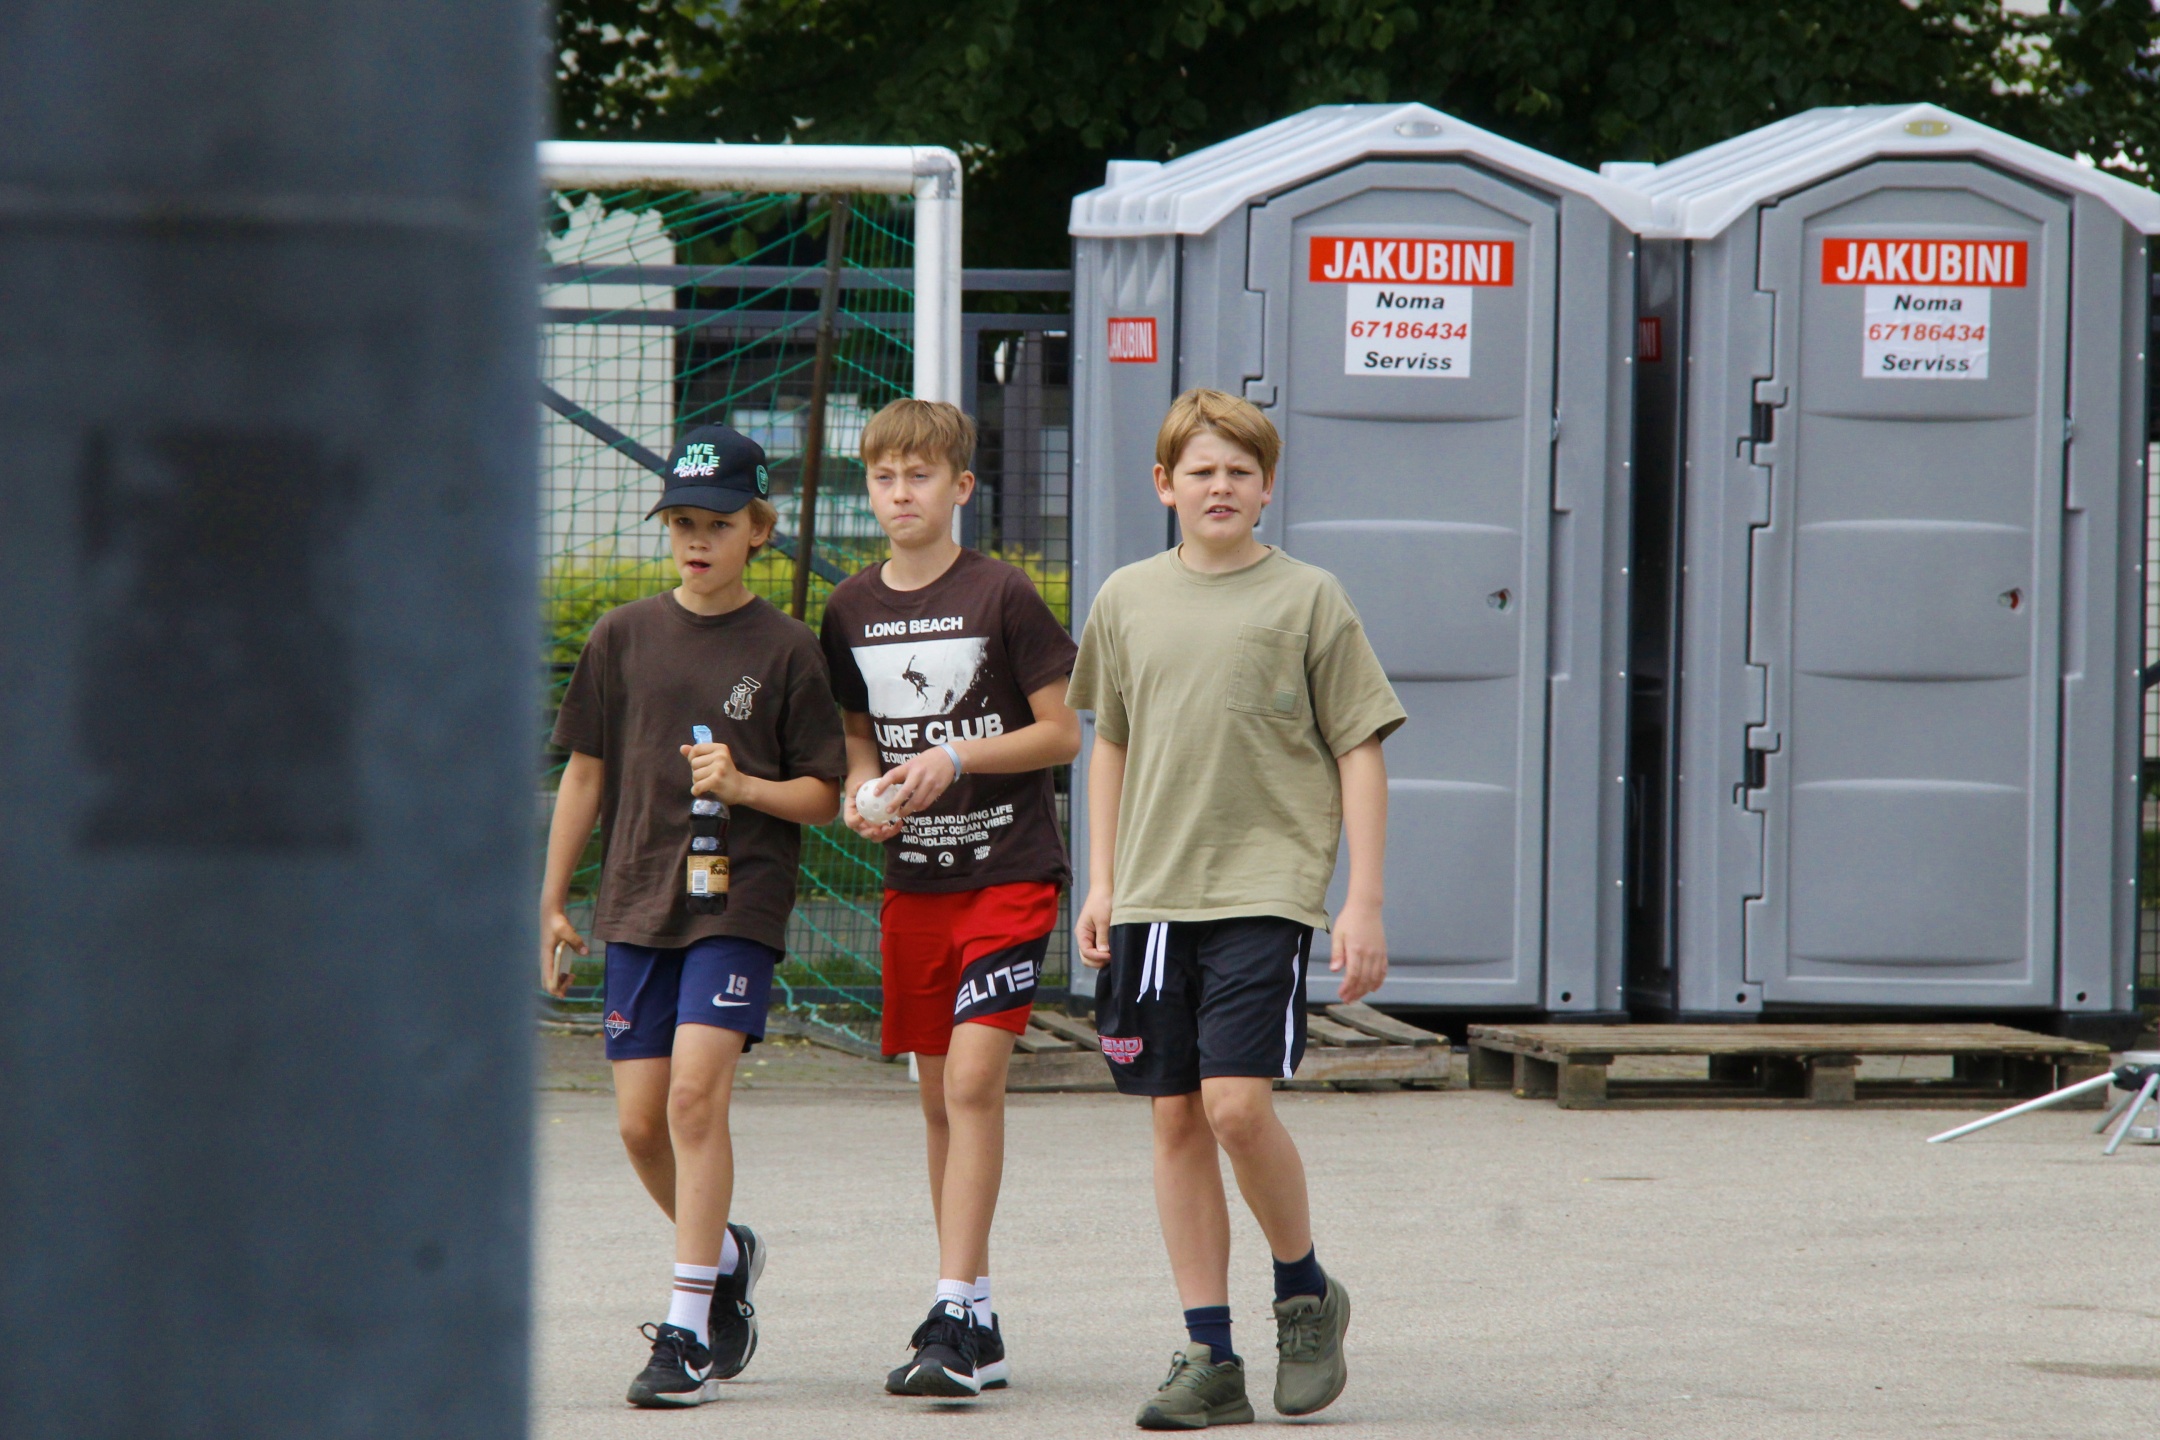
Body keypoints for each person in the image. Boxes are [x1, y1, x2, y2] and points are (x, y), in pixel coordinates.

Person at [1066, 388, 1405, 1429]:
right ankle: (1209, 1355)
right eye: (1201, 471)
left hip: (1264, 888)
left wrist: (1362, 900)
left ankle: (1303, 1292)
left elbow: (1358, 746)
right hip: (1152, 896)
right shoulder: (1127, 597)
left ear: (1267, 487)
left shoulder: (1309, 598)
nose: (1221, 487)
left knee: (1234, 1107)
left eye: (1240, 472)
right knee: (1174, 1117)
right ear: (1164, 485)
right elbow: (1110, 740)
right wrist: (1103, 878)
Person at [540, 423, 848, 1408]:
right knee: (639, 1126)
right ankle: (722, 1256)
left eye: (717, 523)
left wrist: (747, 786)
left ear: (760, 528)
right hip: (637, 898)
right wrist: (552, 899)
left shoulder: (788, 648)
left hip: (737, 900)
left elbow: (824, 796)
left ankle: (685, 1333)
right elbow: (584, 774)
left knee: (691, 1101)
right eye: (681, 522)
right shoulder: (621, 636)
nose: (697, 539)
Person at [820, 399, 1081, 1397]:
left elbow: (1063, 732)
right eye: (884, 477)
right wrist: (862, 794)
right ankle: (976, 1309)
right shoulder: (849, 608)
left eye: (920, 475)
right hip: (916, 883)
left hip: (1007, 872)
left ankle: (952, 1313)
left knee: (973, 1084)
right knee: (937, 1099)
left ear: (961, 487)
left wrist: (956, 756)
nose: (901, 493)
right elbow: (858, 736)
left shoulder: (1002, 592)